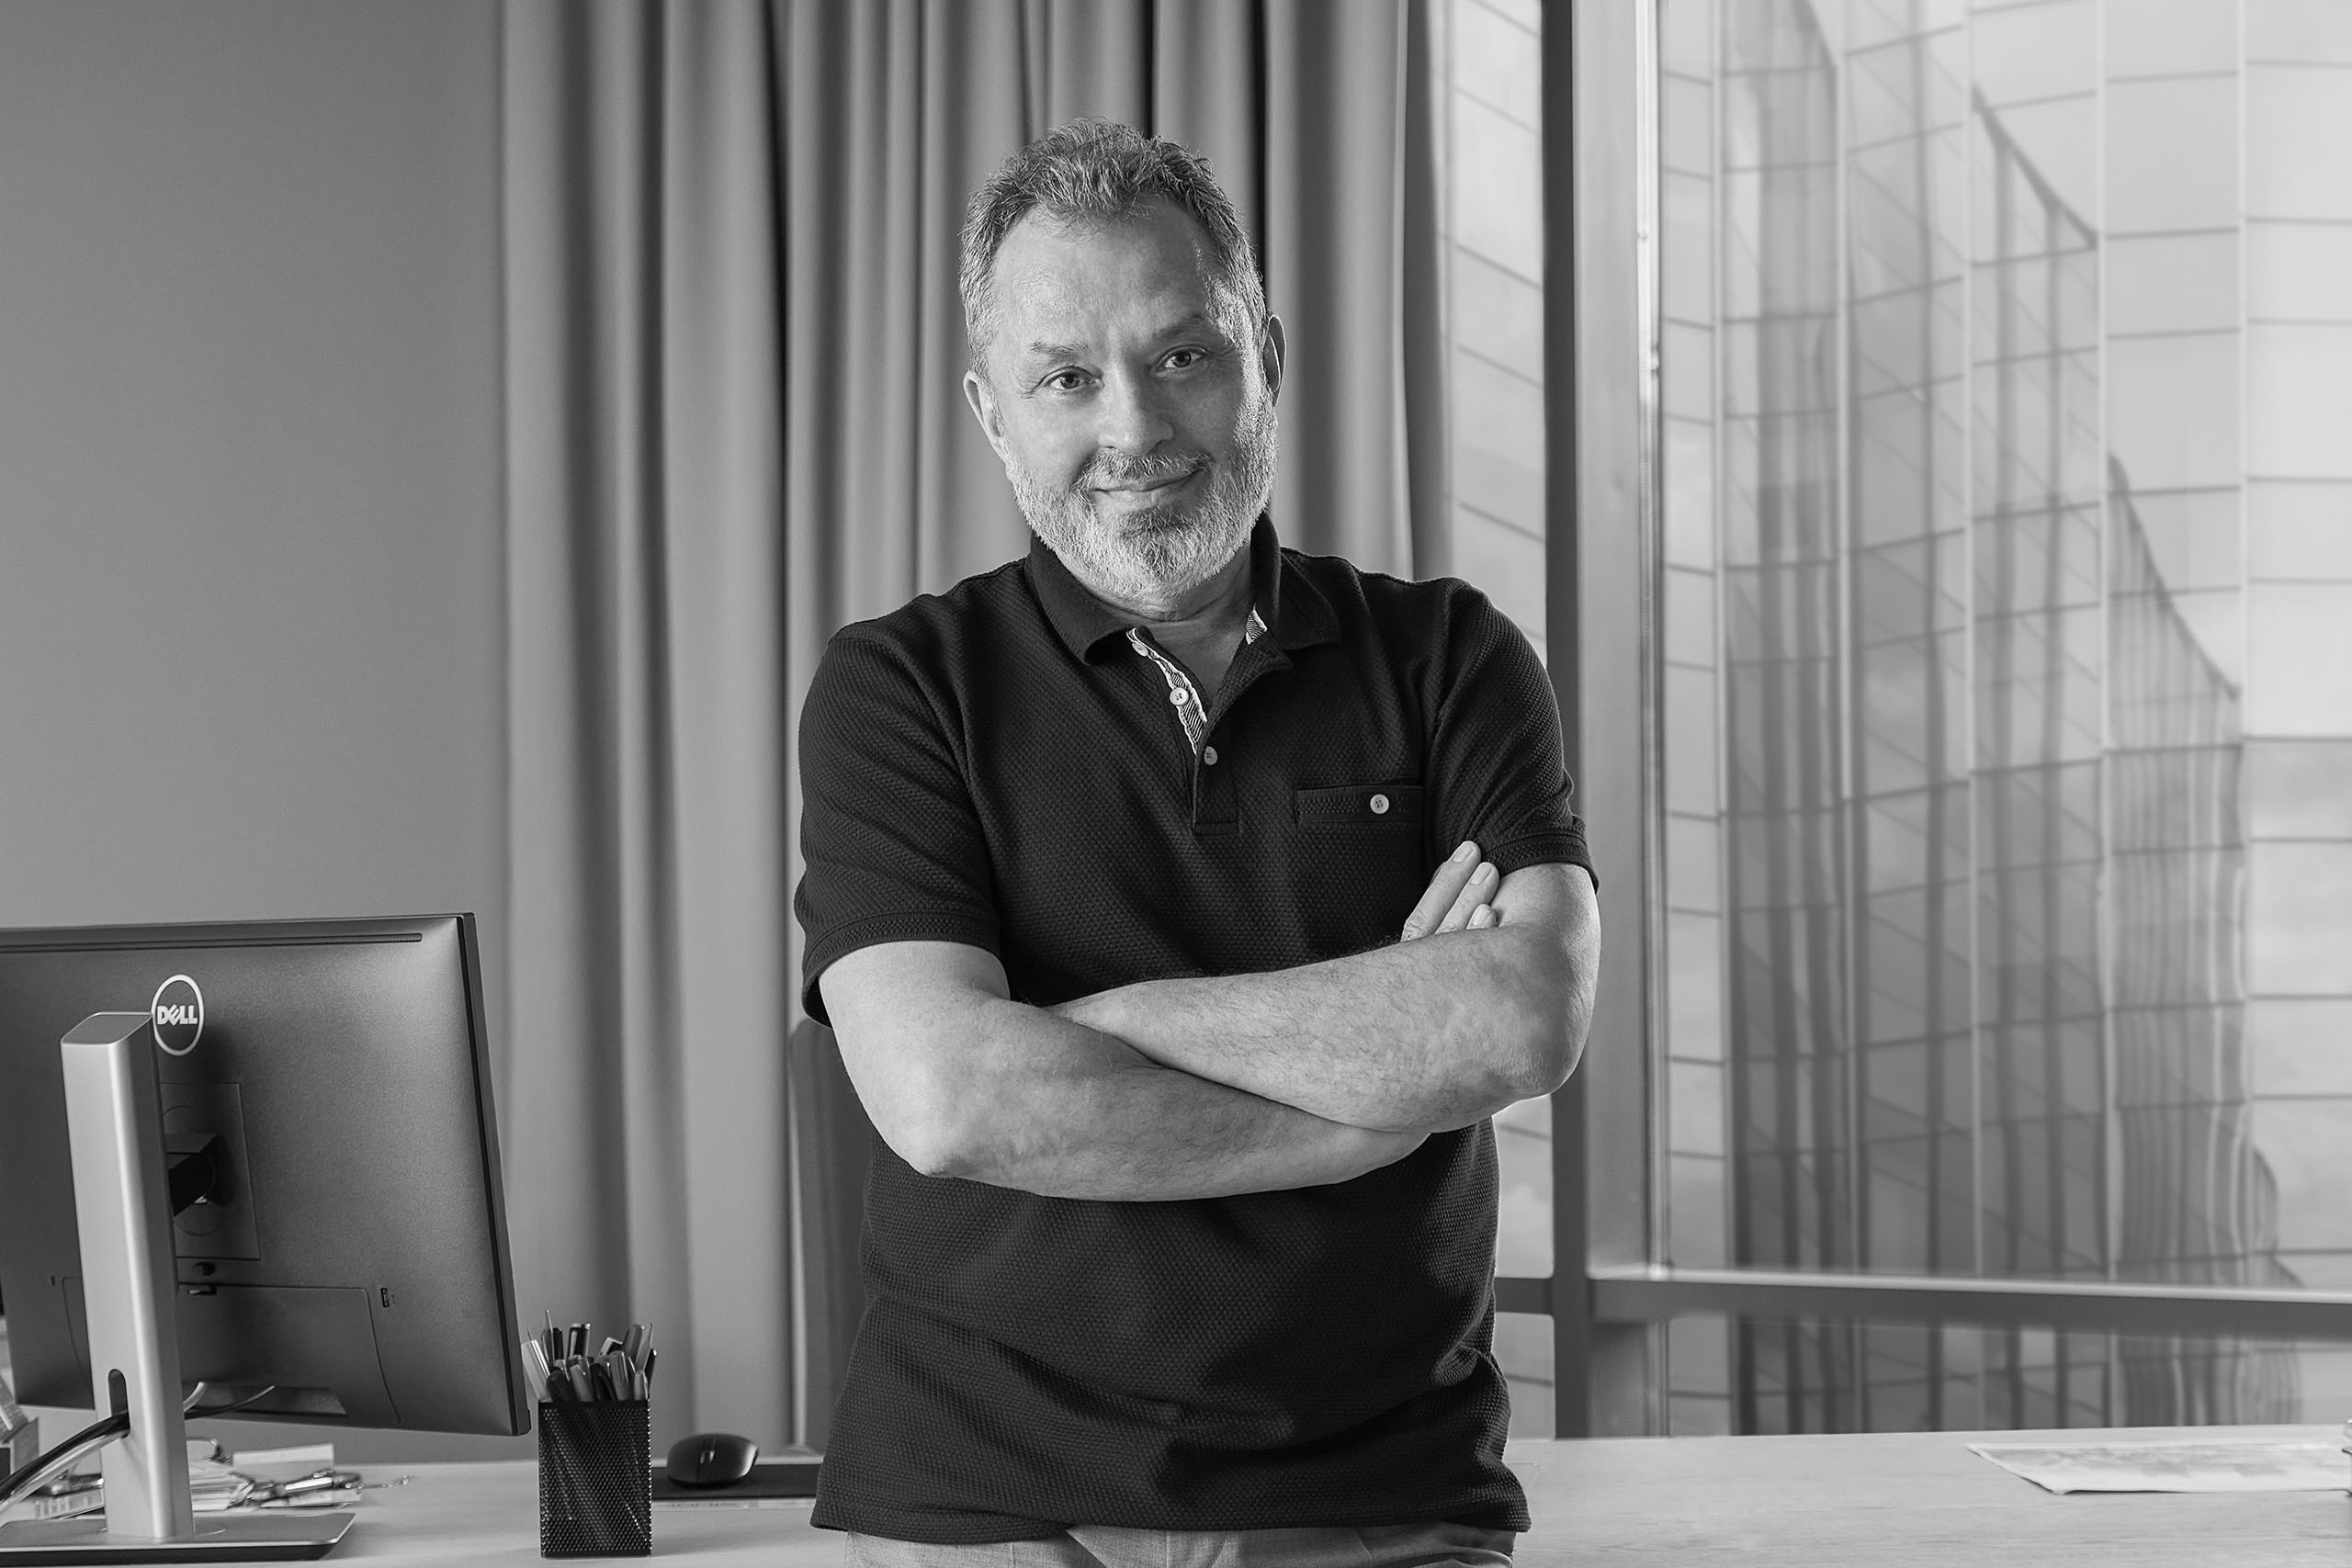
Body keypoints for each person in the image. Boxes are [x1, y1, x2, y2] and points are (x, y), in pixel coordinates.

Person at [796, 118, 1600, 1568]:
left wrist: (1103, 1025)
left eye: (1182, 356)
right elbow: (949, 1099)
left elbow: (1525, 1016)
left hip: (1376, 1494)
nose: (1134, 431)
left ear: (1264, 359)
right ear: (992, 414)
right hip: (981, 1499)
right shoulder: (898, 689)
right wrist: (1367, 1117)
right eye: (1066, 378)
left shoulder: (1451, 658)